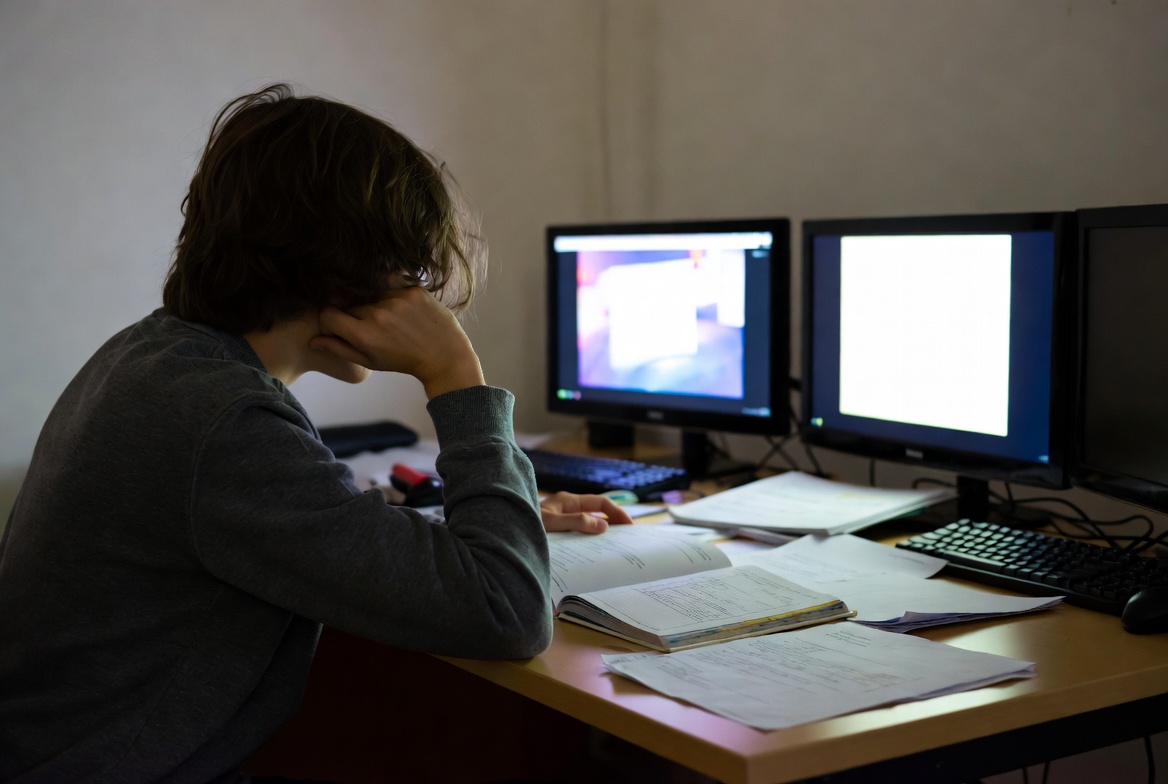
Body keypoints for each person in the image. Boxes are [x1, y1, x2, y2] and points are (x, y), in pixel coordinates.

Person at [0, 83, 631, 783]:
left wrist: (498, 518)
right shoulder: (225, 421)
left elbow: (288, 521)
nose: (420, 300)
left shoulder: (154, 357)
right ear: (347, 275)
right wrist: (458, 376)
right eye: (410, 274)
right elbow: (507, 613)